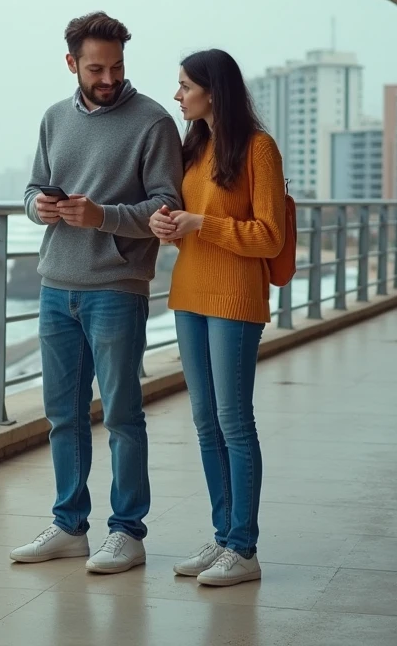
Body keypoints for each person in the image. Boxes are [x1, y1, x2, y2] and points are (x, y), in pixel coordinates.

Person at [9, 12, 183, 574]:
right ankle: (69, 526)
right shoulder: (54, 118)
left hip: (116, 288)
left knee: (123, 415)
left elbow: (166, 206)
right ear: (71, 64)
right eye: (96, 69)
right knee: (63, 416)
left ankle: (127, 533)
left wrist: (100, 215)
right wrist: (38, 206)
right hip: (56, 285)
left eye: (117, 67)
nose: (109, 78)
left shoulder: (153, 121)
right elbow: (32, 188)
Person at [148, 49, 285, 587]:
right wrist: (169, 226)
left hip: (234, 299)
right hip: (189, 295)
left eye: (185, 86)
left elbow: (269, 236)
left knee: (234, 421)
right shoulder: (194, 147)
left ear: (213, 90)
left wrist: (202, 223)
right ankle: (224, 535)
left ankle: (244, 548)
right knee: (206, 423)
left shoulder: (259, 149)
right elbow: (188, 225)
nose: (177, 95)